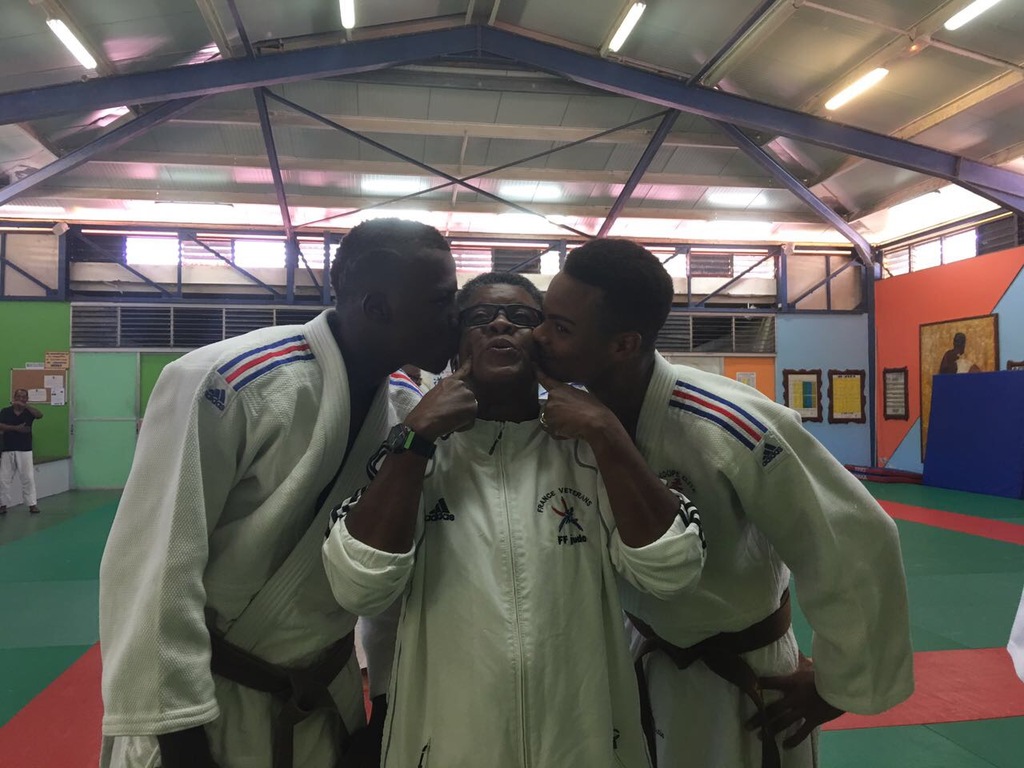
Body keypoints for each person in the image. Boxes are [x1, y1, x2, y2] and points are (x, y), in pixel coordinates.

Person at [533, 238, 914, 768]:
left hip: (742, 674)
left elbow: (853, 538)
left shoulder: (730, 424)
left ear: (623, 344)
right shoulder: (571, 416)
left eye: (560, 327)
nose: (538, 336)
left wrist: (838, 686)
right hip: (637, 654)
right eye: (544, 318)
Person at [98, 218, 460, 768]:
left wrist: (386, 702)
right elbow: (154, 564)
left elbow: (390, 580)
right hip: (209, 707)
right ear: (378, 307)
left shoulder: (409, 408)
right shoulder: (227, 381)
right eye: (441, 300)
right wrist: (177, 735)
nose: (455, 317)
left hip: (326, 697)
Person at [321, 271, 708, 768]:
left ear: (545, 341)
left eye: (522, 317)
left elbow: (673, 571)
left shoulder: (590, 451)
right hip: (448, 746)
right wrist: (417, 436)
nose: (500, 324)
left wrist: (607, 432)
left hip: (588, 743)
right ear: (456, 344)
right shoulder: (415, 454)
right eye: (480, 317)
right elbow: (359, 586)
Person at [0, 388, 43, 514]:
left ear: (27, 399)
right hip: (8, 448)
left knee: (28, 478)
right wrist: (15, 428)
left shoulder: (29, 412)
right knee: (3, 478)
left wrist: (26, 406)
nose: (20, 399)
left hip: (25, 449)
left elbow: (39, 415)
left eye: (23, 397)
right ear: (14, 398)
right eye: (18, 396)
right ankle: (2, 504)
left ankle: (32, 504)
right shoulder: (6, 411)